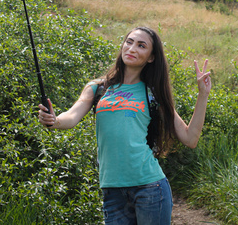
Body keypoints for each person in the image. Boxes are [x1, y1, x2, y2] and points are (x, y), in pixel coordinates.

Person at [38, 26, 212, 225]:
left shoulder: (153, 94)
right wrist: (54, 120)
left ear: (151, 57)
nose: (132, 48)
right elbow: (71, 116)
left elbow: (190, 138)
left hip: (150, 187)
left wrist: (203, 94)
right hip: (112, 190)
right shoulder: (98, 88)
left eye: (141, 45)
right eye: (129, 42)